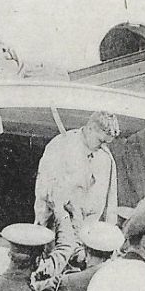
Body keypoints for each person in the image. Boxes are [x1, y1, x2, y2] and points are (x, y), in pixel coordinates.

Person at [33, 111, 121, 258]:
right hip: (59, 230)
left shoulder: (106, 158)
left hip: (88, 236)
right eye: (101, 141)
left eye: (107, 142)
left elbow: (111, 202)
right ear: (91, 128)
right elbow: (44, 191)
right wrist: (41, 229)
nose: (104, 146)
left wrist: (109, 237)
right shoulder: (61, 145)